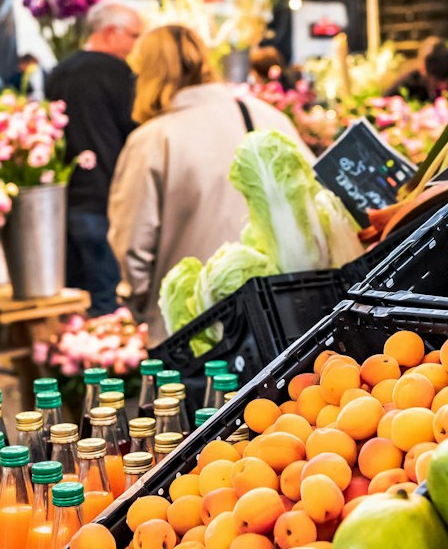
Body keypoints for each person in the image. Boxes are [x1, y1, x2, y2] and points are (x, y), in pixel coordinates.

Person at [107, 25, 310, 340]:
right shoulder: (266, 117)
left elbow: (133, 243)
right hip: (280, 313)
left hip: (193, 324)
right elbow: (315, 196)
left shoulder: (151, 140)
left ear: (146, 75)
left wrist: (145, 305)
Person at [45, 0, 144, 316]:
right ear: (112, 32)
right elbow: (136, 132)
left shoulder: (60, 71)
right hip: (108, 197)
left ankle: (73, 360)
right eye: (133, 36)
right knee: (107, 300)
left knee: (73, 301)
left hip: (66, 199)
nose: (135, 44)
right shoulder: (119, 74)